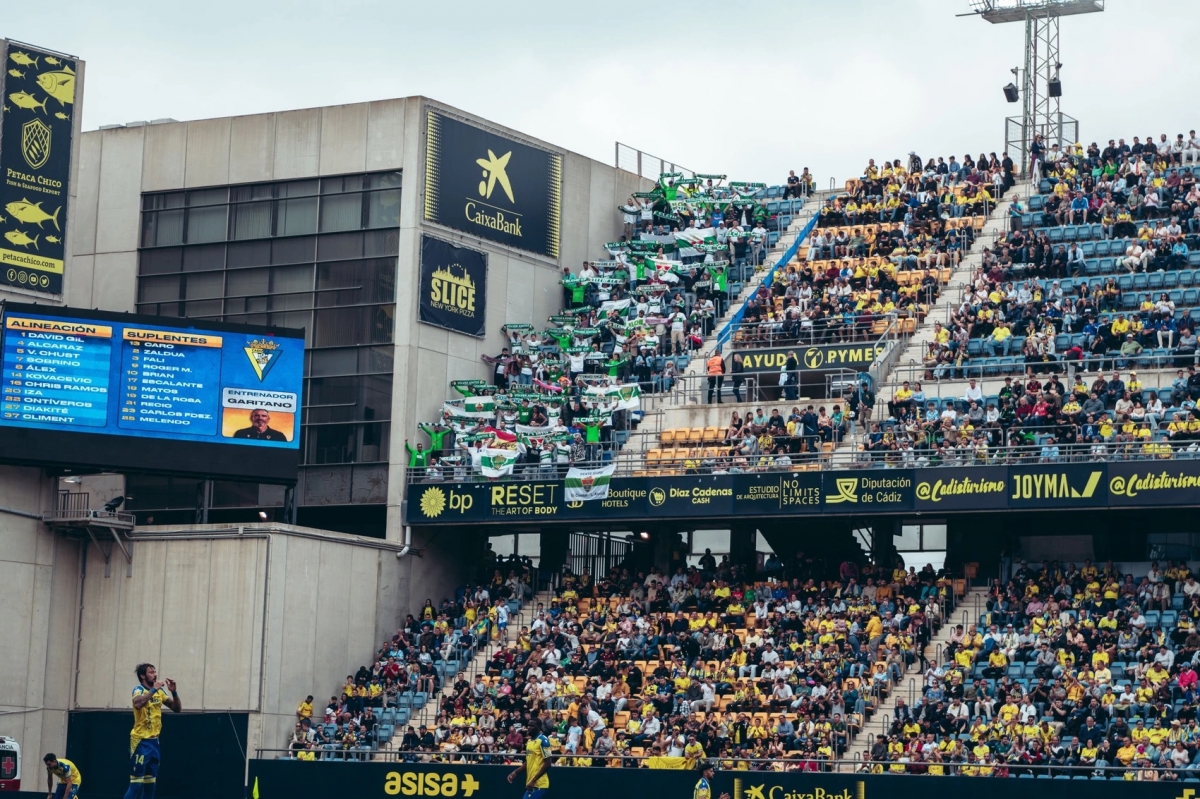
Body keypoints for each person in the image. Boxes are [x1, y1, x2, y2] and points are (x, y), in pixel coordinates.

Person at [124, 662, 181, 799]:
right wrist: (153, 690)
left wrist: (174, 691)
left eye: (155, 672)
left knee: (150, 785)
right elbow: (138, 704)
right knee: (136, 784)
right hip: (140, 741)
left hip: (154, 742)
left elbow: (177, 709)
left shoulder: (160, 692)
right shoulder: (138, 690)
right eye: (151, 672)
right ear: (143, 676)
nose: (155, 675)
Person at [507, 717, 552, 799]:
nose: (529, 727)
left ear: (538, 727)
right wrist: (515, 772)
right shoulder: (529, 741)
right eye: (528, 725)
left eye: (532, 726)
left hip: (539, 784)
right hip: (531, 784)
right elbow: (528, 762)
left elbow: (548, 763)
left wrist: (534, 780)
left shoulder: (543, 741)